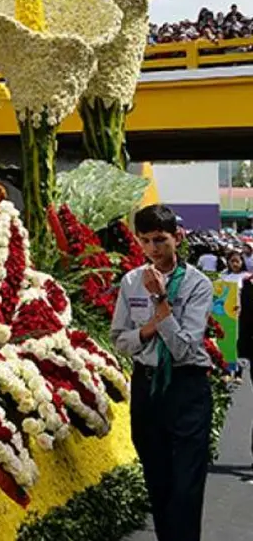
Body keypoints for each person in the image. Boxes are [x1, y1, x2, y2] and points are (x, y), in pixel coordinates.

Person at [110, 204, 213, 541]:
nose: (153, 248)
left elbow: (184, 348)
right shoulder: (130, 282)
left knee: (187, 485)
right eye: (145, 241)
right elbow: (119, 341)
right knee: (158, 481)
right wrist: (146, 331)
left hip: (187, 387)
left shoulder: (197, 285)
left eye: (160, 240)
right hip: (147, 385)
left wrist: (159, 303)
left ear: (177, 238)